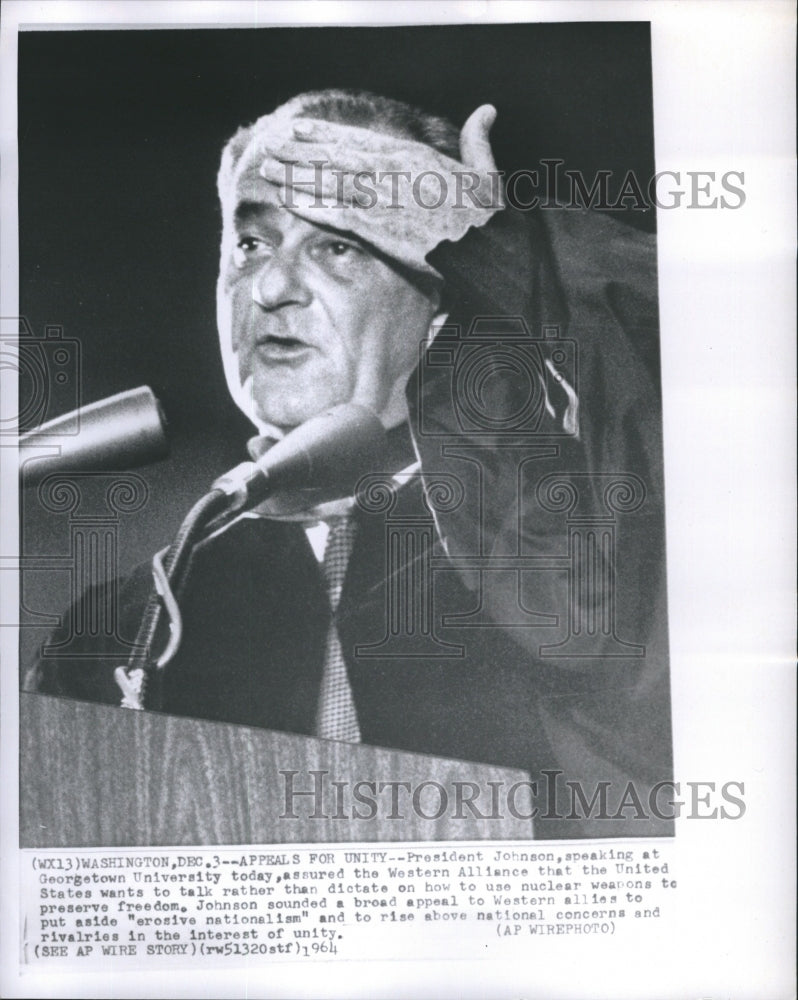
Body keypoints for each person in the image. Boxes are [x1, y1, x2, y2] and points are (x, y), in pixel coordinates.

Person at [32, 89, 672, 838]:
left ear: (440, 295)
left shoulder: (582, 552)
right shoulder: (124, 628)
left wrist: (504, 253)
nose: (270, 289)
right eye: (250, 245)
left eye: (337, 244)